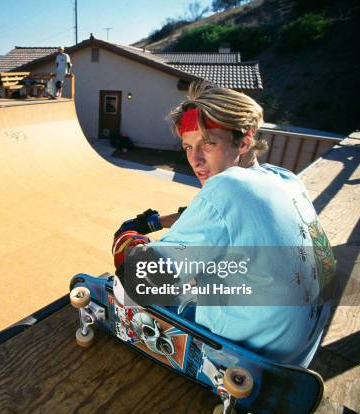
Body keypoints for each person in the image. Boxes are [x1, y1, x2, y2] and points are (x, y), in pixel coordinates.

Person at [112, 81, 335, 367]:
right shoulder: (285, 178)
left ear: (243, 141)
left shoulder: (226, 187)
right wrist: (159, 221)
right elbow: (214, 216)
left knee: (128, 285)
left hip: (243, 367)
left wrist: (129, 239)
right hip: (296, 358)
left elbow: (135, 285)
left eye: (208, 143)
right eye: (188, 146)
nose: (195, 159)